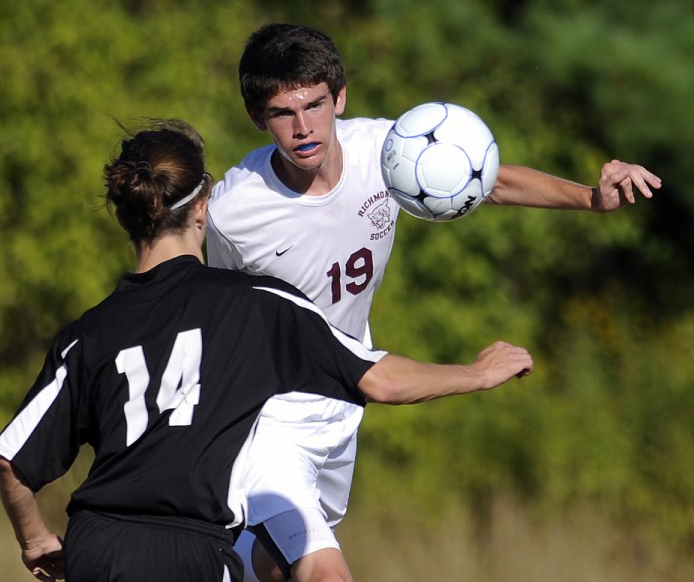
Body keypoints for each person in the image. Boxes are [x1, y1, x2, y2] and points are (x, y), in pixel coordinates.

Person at [205, 23, 663, 582]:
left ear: (340, 97)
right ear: (257, 118)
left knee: (274, 566)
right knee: (326, 575)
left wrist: (594, 200)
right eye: (282, 112)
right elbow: (211, 319)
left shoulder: (387, 148)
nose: (303, 127)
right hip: (270, 415)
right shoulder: (233, 210)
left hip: (344, 402)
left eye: (315, 105)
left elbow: (485, 182)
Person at [0, 119, 533, 582]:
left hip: (97, 546)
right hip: (192, 551)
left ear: (124, 216)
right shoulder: (254, 305)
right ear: (202, 207)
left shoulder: (90, 333)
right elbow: (380, 380)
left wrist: (36, 540)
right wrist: (476, 372)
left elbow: (12, 460)